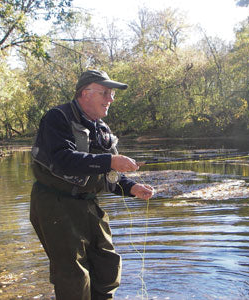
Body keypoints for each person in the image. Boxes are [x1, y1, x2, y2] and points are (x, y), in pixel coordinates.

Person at [30, 69, 154, 300]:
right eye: (105, 93)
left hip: (88, 203)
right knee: (73, 274)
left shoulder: (102, 128)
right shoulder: (56, 118)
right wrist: (111, 160)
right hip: (54, 203)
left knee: (107, 263)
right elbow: (62, 160)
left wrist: (131, 188)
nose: (111, 99)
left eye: (112, 94)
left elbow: (109, 174)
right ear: (85, 93)